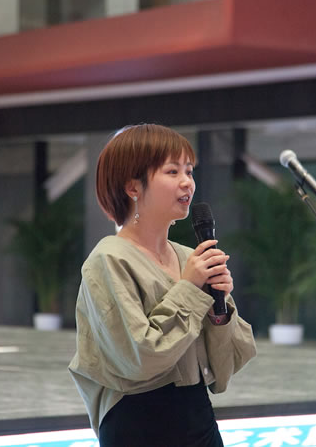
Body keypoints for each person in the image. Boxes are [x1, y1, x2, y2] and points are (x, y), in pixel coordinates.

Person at [68, 124, 257, 447]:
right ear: (133, 187)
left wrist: (219, 309)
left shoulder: (187, 257)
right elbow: (139, 357)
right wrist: (190, 289)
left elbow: (224, 366)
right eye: (172, 171)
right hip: (139, 423)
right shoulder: (108, 259)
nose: (187, 182)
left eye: (189, 171)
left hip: (197, 417)